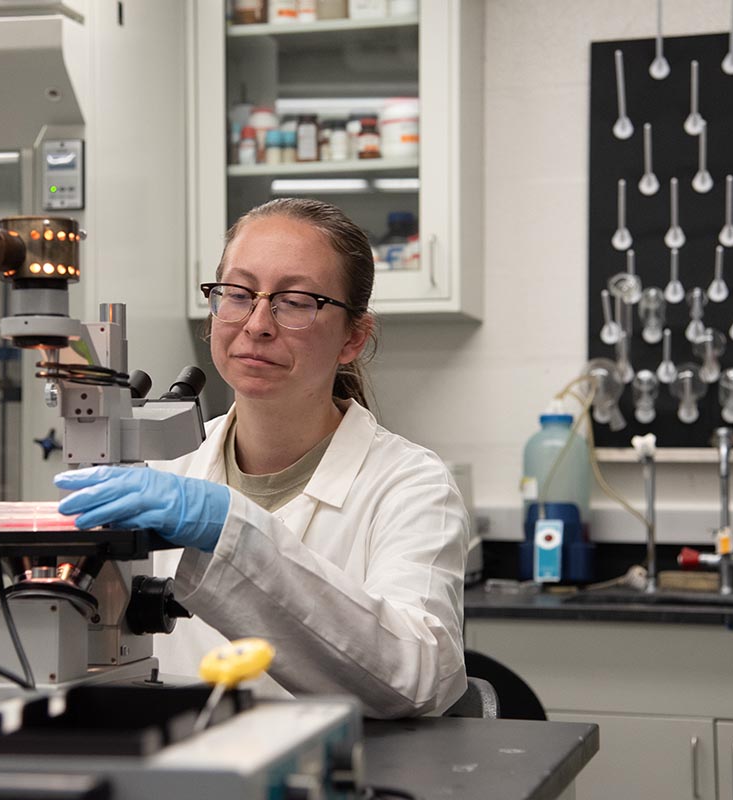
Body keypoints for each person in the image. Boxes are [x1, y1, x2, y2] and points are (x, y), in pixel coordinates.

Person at [55, 198, 468, 718]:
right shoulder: (160, 468)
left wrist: (232, 530)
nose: (256, 324)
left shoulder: (409, 484)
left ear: (353, 337)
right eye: (238, 293)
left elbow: (422, 676)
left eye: (295, 301)